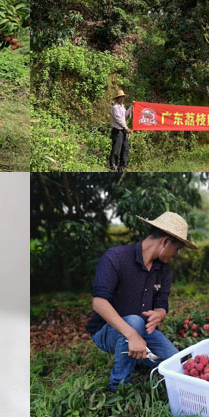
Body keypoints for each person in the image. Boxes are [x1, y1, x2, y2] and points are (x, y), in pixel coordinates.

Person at [86, 211, 197, 391]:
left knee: (176, 364)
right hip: (107, 332)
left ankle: (135, 354)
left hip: (142, 331)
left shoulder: (164, 270)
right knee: (135, 322)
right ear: (165, 241)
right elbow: (99, 302)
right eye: (177, 249)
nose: (176, 254)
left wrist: (161, 312)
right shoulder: (116, 258)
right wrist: (131, 334)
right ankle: (119, 387)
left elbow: (162, 302)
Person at [110, 90, 133, 171]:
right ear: (117, 98)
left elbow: (125, 116)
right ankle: (113, 166)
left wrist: (131, 107)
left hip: (123, 130)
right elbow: (119, 120)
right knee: (116, 149)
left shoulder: (122, 106)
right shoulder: (115, 107)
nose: (122, 99)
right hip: (118, 130)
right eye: (120, 97)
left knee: (125, 148)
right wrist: (126, 128)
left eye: (123, 97)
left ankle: (122, 167)